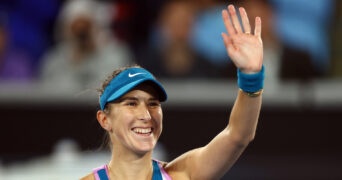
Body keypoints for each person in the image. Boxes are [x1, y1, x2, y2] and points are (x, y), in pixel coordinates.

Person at [81, 4, 264, 180]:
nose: (146, 114)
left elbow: (238, 135)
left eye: (153, 103)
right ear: (105, 120)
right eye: (131, 103)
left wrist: (251, 76)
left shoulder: (183, 175)